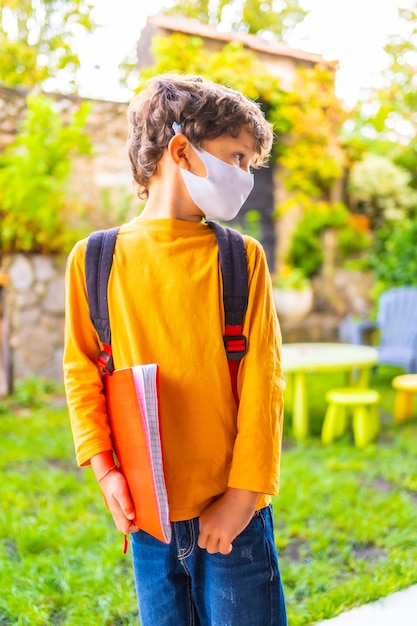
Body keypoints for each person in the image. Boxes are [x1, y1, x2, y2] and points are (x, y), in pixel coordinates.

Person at [63, 73, 287, 626]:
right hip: (148, 522)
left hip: (234, 520)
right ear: (182, 151)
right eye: (237, 157)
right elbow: (83, 370)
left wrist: (241, 498)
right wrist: (104, 470)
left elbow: (265, 381)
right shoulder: (95, 261)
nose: (245, 178)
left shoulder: (242, 259)